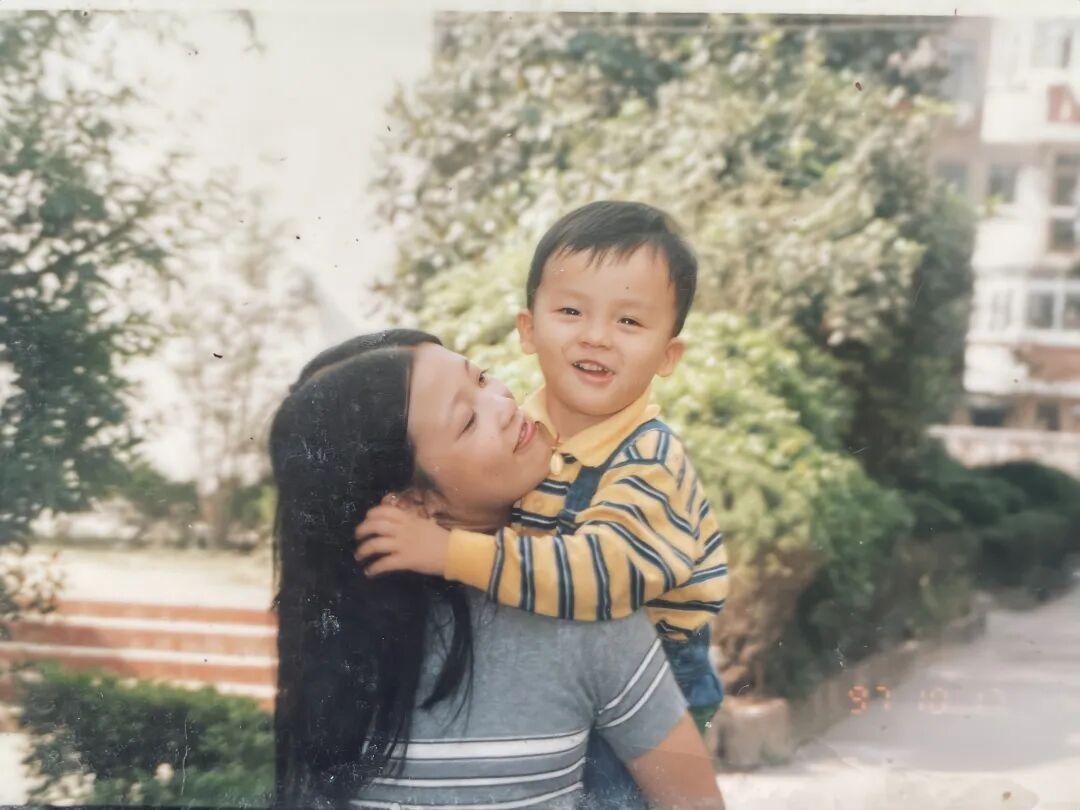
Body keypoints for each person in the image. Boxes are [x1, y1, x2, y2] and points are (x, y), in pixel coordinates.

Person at [355, 201, 729, 808]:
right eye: (572, 311)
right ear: (528, 330)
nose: (596, 336)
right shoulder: (521, 432)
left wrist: (450, 553)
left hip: (655, 671)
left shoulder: (649, 459)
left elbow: (600, 578)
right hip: (568, 655)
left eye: (629, 321)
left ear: (668, 356)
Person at [271, 329, 725, 808]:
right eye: (468, 420)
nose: (504, 403)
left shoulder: (581, 597)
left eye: (483, 378)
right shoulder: (348, 651)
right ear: (412, 502)